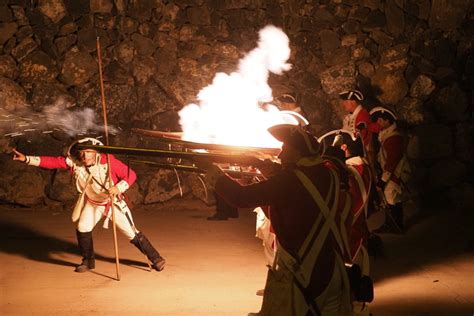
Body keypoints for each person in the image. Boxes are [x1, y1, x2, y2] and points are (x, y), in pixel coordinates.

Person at [208, 124, 352, 315]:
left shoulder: (290, 180)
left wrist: (213, 172)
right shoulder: (329, 174)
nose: (281, 155)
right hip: (333, 268)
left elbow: (240, 197)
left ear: (297, 152)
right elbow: (295, 191)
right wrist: (262, 166)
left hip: (305, 272)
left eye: (286, 149)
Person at [12, 137, 166, 272]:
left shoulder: (109, 161)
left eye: (89, 151)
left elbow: (131, 175)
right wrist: (26, 158)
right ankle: (88, 261)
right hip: (93, 204)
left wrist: (118, 187)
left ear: (96, 152)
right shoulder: (75, 163)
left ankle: (156, 258)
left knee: (131, 233)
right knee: (82, 228)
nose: (85, 155)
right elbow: (52, 162)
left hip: (113, 203)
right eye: (83, 152)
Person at [370, 107, 411, 231]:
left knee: (391, 196)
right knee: (391, 198)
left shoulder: (394, 138)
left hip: (395, 173)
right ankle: (393, 224)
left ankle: (396, 225)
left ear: (387, 121)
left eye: (380, 120)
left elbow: (392, 162)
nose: (378, 123)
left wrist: (383, 180)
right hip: (391, 172)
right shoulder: (387, 136)